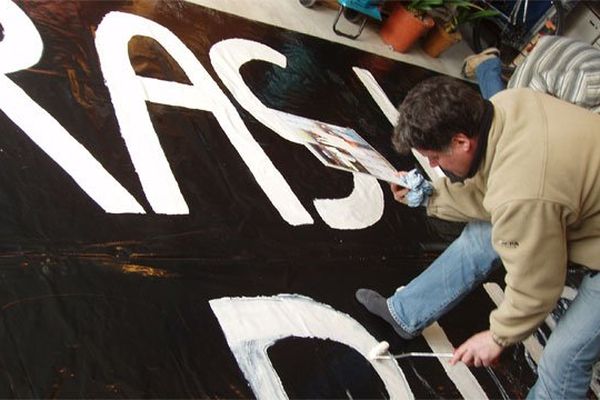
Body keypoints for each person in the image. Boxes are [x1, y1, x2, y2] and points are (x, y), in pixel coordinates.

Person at [355, 75, 600, 399]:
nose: (431, 164)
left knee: (562, 360)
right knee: (481, 235)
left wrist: (499, 336)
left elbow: (538, 283)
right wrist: (430, 195)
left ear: (461, 142)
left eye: (435, 157)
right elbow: (488, 191)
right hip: (570, 200)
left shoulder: (523, 194)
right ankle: (405, 314)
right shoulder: (505, 106)